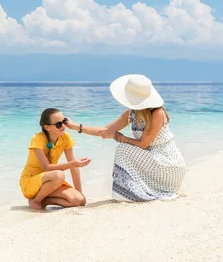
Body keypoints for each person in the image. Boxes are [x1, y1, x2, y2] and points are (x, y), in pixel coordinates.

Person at [65, 74, 187, 202]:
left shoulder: (157, 113)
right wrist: (75, 126)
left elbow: (143, 144)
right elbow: (104, 131)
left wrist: (120, 137)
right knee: (123, 149)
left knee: (123, 149)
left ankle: (129, 193)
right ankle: (130, 192)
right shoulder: (131, 113)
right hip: (153, 161)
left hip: (170, 166)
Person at [20, 108, 91, 209]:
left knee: (79, 201)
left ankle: (46, 201)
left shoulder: (65, 137)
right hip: (30, 182)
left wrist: (79, 193)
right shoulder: (37, 139)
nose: (63, 126)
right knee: (59, 175)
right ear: (47, 127)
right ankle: (36, 201)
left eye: (64, 121)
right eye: (59, 124)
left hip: (52, 182)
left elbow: (74, 168)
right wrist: (73, 164)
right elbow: (47, 168)